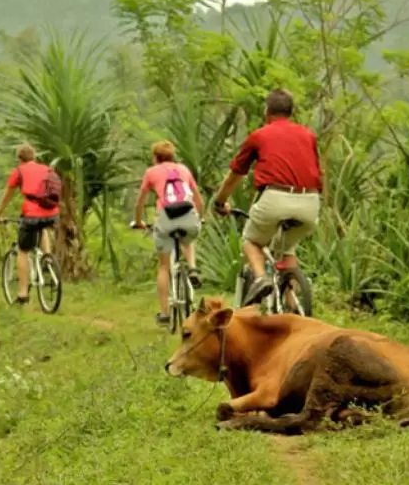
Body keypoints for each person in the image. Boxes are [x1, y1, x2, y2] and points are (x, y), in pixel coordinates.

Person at [211, 89, 323, 306]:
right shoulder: (309, 135)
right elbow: (319, 173)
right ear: (291, 112)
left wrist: (219, 201)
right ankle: (293, 307)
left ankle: (261, 278)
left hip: (276, 198)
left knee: (251, 242)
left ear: (267, 111)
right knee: (288, 250)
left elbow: (236, 173)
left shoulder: (260, 135)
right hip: (310, 201)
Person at [131, 140, 204, 327]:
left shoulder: (151, 172)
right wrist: (200, 217)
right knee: (188, 240)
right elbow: (198, 199)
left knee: (164, 267)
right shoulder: (184, 169)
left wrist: (139, 222)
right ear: (173, 155)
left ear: (155, 157)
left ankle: (164, 313)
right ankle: (193, 268)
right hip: (189, 215)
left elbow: (140, 202)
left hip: (165, 217)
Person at [0, 143, 61, 305]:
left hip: (31, 215)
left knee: (23, 251)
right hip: (52, 213)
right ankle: (47, 257)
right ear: (34, 157)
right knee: (42, 227)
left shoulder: (19, 171)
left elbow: (7, 196)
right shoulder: (46, 169)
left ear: (19, 159)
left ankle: (22, 294)